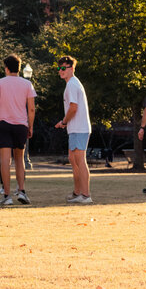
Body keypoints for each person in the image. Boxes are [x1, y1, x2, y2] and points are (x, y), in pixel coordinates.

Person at [0, 54, 36, 206]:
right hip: (21, 124)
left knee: (5, 161)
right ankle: (21, 190)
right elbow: (31, 108)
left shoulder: (0, 83)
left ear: (6, 68)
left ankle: (7, 195)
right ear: (19, 68)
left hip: (3, 124)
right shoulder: (27, 84)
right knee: (19, 159)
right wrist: (30, 126)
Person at [54, 55, 93, 204]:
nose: (61, 71)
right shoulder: (72, 83)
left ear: (72, 68)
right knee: (73, 159)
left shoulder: (71, 84)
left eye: (64, 68)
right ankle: (77, 193)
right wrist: (65, 123)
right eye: (59, 68)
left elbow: (73, 107)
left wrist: (64, 121)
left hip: (79, 128)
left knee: (80, 160)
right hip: (76, 128)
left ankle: (85, 195)